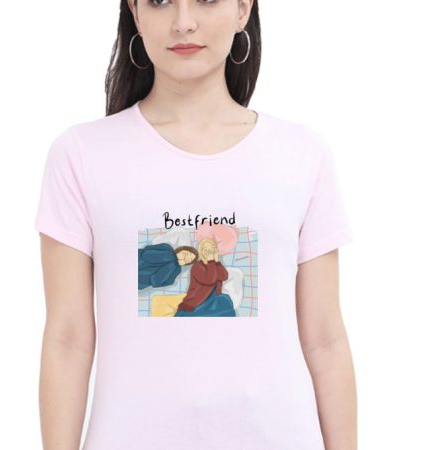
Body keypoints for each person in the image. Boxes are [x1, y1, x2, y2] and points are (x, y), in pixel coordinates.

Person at [35, 1, 357, 449]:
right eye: (160, 1)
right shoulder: (81, 154)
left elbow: (325, 339)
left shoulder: (302, 154)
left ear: (243, 9)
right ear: (136, 12)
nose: (183, 22)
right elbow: (67, 339)